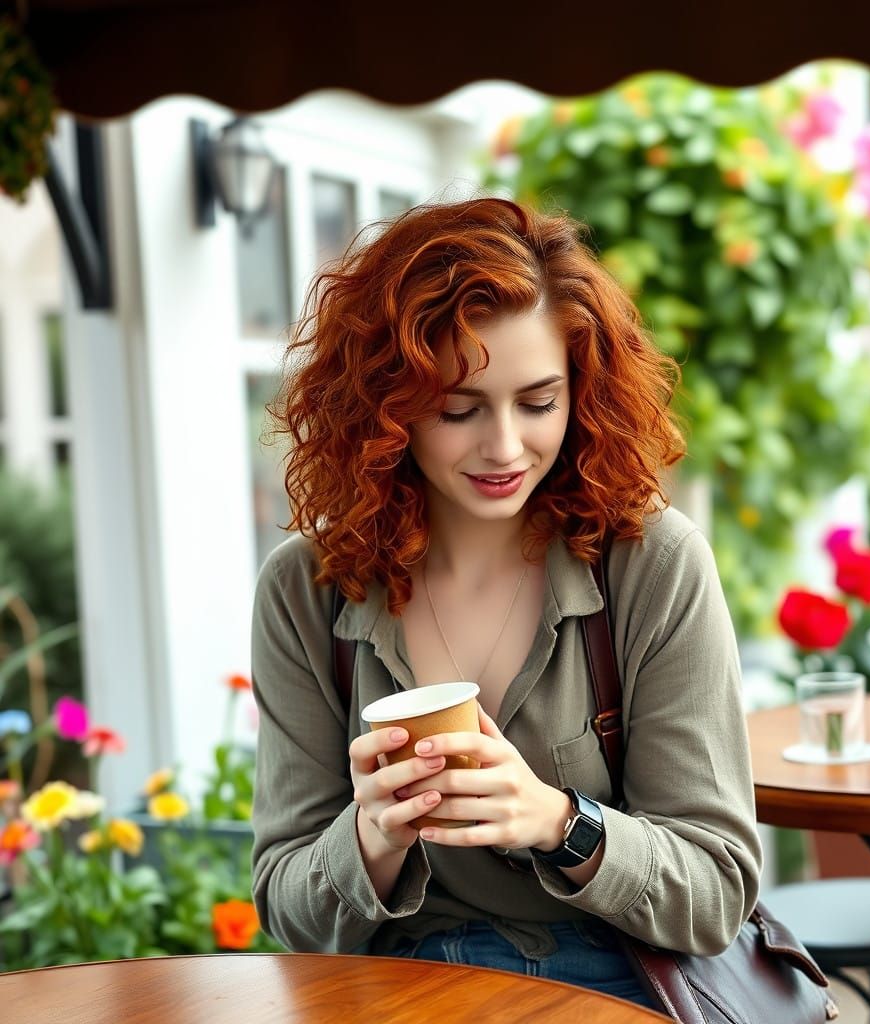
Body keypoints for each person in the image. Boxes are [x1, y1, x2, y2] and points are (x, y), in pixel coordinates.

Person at [250, 196, 762, 1009]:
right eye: (458, 409)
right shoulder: (306, 590)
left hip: (611, 981)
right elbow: (287, 905)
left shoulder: (650, 565)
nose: (503, 447)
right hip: (398, 989)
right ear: (388, 407)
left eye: (538, 402)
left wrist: (560, 822)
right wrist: (371, 838)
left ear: (582, 392)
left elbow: (716, 890)